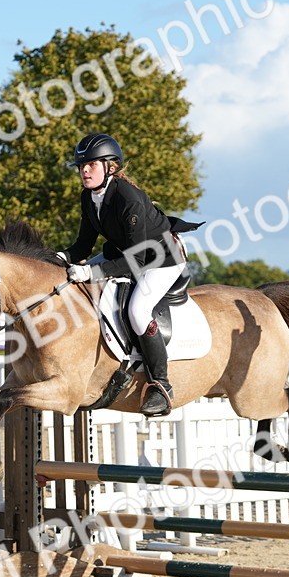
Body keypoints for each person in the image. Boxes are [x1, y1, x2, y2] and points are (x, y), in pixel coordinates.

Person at [60, 133, 203, 417]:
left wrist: (90, 271)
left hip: (161, 258)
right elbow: (82, 246)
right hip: (125, 253)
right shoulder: (89, 198)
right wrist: (58, 259)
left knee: (138, 310)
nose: (84, 170)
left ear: (110, 166)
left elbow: (137, 259)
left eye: (90, 164)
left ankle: (161, 386)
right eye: (81, 166)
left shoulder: (128, 197)